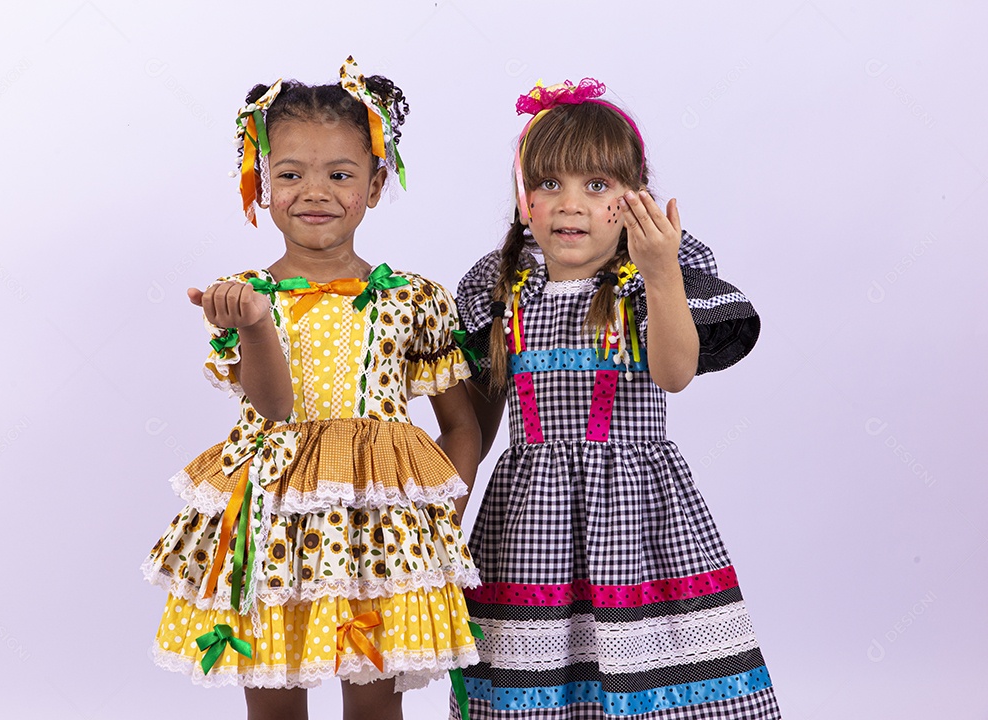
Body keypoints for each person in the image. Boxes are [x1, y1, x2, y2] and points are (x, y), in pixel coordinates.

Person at [141, 57, 481, 720]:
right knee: (271, 705)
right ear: (262, 184)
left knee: (375, 705)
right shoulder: (245, 295)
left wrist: (442, 518)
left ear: (377, 185)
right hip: (267, 527)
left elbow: (461, 425)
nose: (314, 191)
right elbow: (274, 408)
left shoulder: (415, 299)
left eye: (340, 174)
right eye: (290, 174)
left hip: (377, 530)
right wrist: (255, 324)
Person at [451, 79, 781, 719]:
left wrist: (660, 272)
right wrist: (442, 520)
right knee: (534, 673)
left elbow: (675, 372)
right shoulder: (502, 290)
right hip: (527, 517)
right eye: (550, 185)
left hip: (635, 513)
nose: (570, 204)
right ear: (524, 201)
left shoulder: (639, 283)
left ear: (633, 201)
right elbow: (479, 420)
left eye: (596, 187)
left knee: (644, 672)